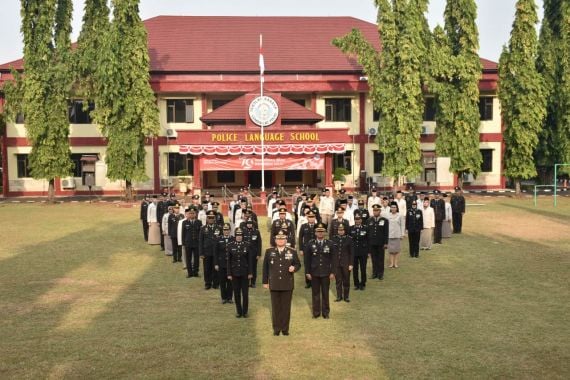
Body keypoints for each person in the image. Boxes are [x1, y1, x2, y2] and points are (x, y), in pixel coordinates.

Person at [262, 230, 302, 336]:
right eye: (278, 239)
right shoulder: (269, 251)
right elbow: (265, 268)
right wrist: (265, 282)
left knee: (286, 307)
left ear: (286, 240)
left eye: (282, 239)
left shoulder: (292, 251)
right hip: (274, 283)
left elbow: (298, 264)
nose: (280, 240)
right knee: (275, 307)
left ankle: (284, 329)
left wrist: (294, 268)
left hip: (287, 284)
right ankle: (276, 329)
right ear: (275, 240)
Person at [304, 223, 336, 319]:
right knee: (315, 294)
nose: (320, 233)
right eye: (318, 231)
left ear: (325, 232)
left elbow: (334, 259)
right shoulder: (310, 244)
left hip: (326, 273)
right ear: (315, 233)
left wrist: (333, 272)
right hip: (314, 273)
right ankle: (316, 313)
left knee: (325, 293)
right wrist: (307, 272)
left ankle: (326, 313)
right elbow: (307, 260)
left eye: (322, 231)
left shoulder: (330, 244)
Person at [227, 228, 253, 318]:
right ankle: (239, 311)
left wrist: (250, 273)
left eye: (240, 236)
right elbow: (228, 262)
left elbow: (250, 261)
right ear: (235, 236)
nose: (239, 237)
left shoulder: (247, 245)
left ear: (242, 236)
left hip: (245, 273)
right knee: (237, 293)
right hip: (234, 274)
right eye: (237, 235)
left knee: (245, 294)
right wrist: (229, 274)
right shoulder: (230, 245)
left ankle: (245, 312)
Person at [199, 210, 222, 290]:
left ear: (214, 218)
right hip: (207, 252)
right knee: (207, 268)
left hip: (216, 252)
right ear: (207, 219)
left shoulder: (219, 228)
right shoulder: (203, 228)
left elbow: (221, 240)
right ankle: (207, 283)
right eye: (209, 218)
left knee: (216, 268)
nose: (211, 219)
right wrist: (201, 253)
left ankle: (216, 283)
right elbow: (201, 241)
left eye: (212, 218)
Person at [332, 224, 354, 302]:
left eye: (342, 230)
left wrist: (351, 264)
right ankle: (339, 296)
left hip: (346, 263)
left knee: (346, 281)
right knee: (338, 281)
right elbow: (332, 253)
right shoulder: (333, 239)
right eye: (339, 230)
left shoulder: (349, 239)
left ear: (344, 231)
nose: (340, 231)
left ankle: (346, 297)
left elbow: (351, 253)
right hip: (337, 264)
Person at [367, 204, 389, 280]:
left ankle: (380, 274)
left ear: (380, 211)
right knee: (374, 259)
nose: (375, 212)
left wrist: (386, 243)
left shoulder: (384, 220)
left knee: (380, 258)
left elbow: (386, 232)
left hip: (381, 243)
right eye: (374, 210)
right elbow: (368, 232)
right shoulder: (369, 220)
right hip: (372, 243)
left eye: (377, 210)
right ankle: (374, 273)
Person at [214, 223, 234, 304]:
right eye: (224, 229)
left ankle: (229, 298)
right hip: (221, 264)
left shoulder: (233, 239)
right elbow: (215, 252)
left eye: (227, 229)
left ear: (230, 230)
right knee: (222, 282)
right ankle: (223, 298)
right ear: (223, 230)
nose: (226, 231)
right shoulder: (218, 239)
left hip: (231, 264)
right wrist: (216, 264)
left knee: (230, 282)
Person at [298, 210, 317, 289]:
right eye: (310, 217)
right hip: (306, 249)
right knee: (307, 265)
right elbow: (300, 238)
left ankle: (315, 281)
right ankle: (308, 282)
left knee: (315, 265)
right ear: (307, 217)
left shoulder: (317, 226)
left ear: (315, 218)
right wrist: (301, 249)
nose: (311, 219)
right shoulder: (303, 226)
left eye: (312, 217)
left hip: (316, 249)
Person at [181, 206, 202, 278]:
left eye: (193, 213)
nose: (192, 215)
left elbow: (200, 233)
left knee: (196, 259)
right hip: (188, 243)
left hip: (196, 243)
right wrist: (183, 243)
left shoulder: (199, 222)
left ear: (195, 214)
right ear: (188, 214)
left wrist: (200, 243)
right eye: (190, 213)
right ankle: (189, 273)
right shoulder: (184, 222)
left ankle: (196, 272)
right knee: (188, 258)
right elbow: (183, 233)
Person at [349, 214, 369, 290]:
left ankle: (363, 284)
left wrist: (368, 252)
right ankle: (356, 284)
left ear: (361, 220)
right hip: (354, 252)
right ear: (354, 220)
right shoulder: (351, 229)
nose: (357, 221)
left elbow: (368, 240)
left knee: (363, 268)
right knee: (355, 269)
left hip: (363, 252)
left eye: (359, 219)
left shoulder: (365, 228)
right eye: (356, 219)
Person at [242, 218, 262, 288]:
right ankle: (246, 282)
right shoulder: (243, 231)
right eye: (248, 224)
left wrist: (259, 254)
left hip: (254, 253)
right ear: (246, 224)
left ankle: (253, 282)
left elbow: (259, 243)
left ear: (252, 225)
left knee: (253, 268)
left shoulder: (256, 232)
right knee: (246, 267)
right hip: (245, 253)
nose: (249, 225)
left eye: (250, 224)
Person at [386, 202, 405, 268]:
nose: (393, 208)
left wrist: (402, 234)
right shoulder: (387, 215)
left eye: (394, 207)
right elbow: (386, 226)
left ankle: (395, 263)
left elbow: (402, 225)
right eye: (392, 207)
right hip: (390, 234)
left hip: (397, 234)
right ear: (390, 208)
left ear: (397, 208)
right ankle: (391, 263)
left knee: (397, 250)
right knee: (391, 250)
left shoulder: (400, 215)